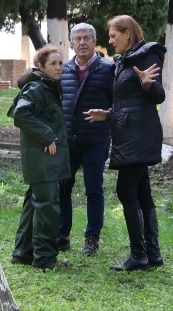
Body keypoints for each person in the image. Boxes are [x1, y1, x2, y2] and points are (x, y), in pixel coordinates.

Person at [85, 15, 165, 272]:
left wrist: (147, 84)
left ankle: (138, 255)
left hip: (139, 136)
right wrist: (106, 115)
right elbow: (125, 103)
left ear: (127, 34)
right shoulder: (124, 61)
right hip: (130, 134)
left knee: (125, 191)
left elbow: (158, 95)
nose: (109, 41)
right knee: (142, 192)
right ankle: (152, 254)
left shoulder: (147, 55)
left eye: (112, 35)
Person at [8, 46, 70, 270]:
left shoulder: (48, 87)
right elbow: (21, 114)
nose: (58, 67)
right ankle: (45, 259)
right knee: (47, 205)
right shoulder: (36, 87)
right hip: (41, 158)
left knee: (35, 205)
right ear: (41, 66)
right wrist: (47, 135)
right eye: (53, 63)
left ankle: (23, 253)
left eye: (61, 63)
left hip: (44, 159)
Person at [57, 22, 114, 256]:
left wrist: (106, 116)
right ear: (71, 43)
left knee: (93, 189)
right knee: (63, 187)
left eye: (86, 38)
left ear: (94, 41)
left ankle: (92, 238)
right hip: (68, 140)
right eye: (77, 38)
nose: (82, 42)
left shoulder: (107, 69)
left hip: (96, 140)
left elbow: (117, 104)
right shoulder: (64, 70)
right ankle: (62, 235)